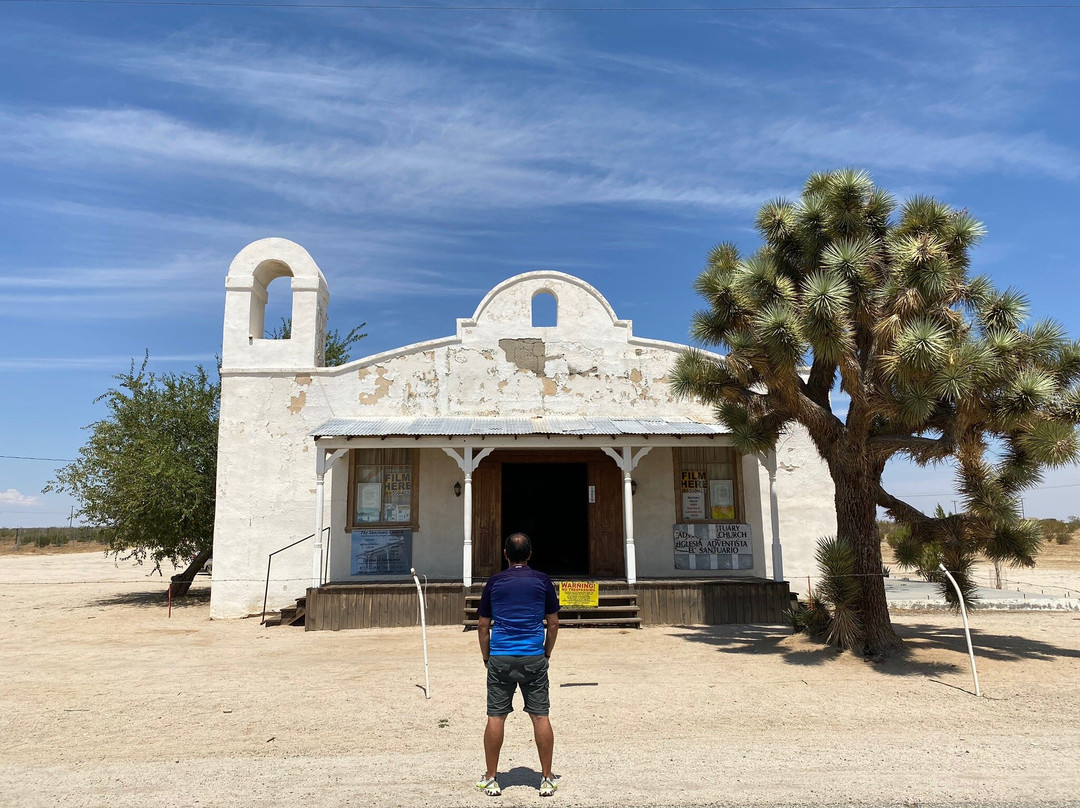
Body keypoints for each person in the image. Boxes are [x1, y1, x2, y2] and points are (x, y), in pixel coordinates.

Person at [475, 532, 561, 797]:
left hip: (500, 655)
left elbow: (482, 625)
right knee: (540, 715)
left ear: (505, 555)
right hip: (533, 655)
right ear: (530, 554)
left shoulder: (495, 582)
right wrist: (546, 653)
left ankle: (491, 777)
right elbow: (554, 622)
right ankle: (546, 778)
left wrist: (487, 656)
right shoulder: (542, 581)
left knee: (496, 716)